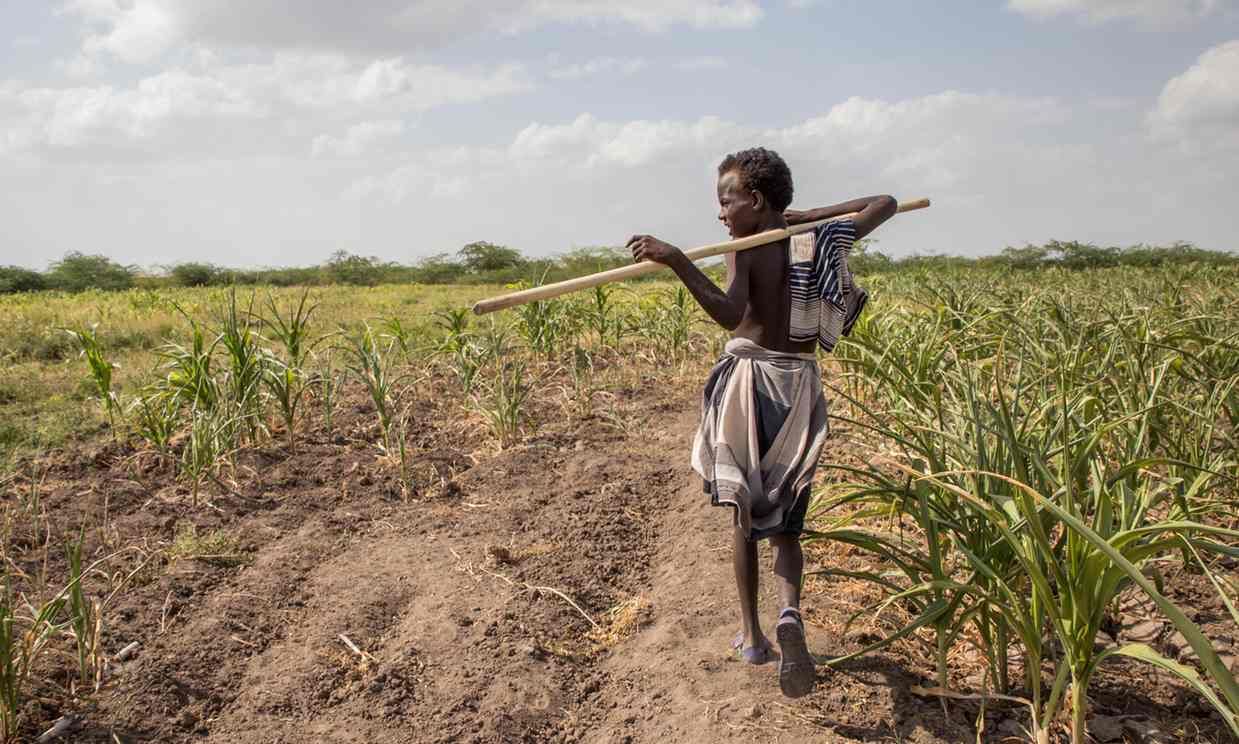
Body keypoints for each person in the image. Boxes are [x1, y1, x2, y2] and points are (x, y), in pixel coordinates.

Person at [626, 147, 896, 698]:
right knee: (789, 519)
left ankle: (752, 637)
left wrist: (677, 259)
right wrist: (802, 217)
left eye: (726, 200)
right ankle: (789, 612)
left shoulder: (744, 248)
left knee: (744, 514)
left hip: (751, 384)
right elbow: (885, 202)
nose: (721, 214)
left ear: (755, 199)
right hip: (798, 384)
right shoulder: (816, 239)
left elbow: (729, 314)